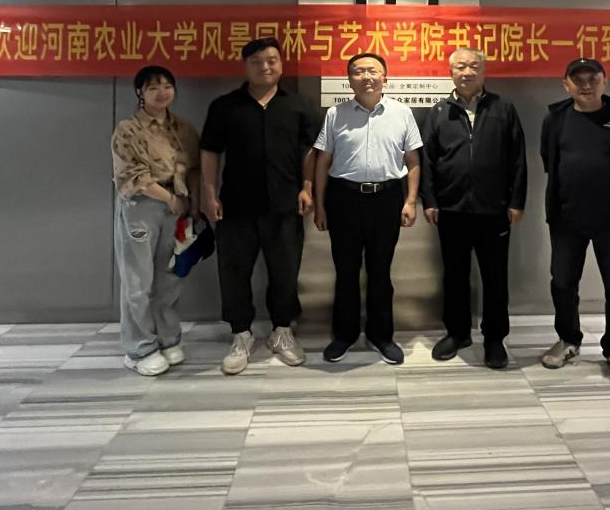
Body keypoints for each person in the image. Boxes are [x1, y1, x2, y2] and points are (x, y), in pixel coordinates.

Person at [200, 37, 319, 375]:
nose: (265, 67)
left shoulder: (298, 105)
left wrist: (307, 187)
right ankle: (241, 335)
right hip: (235, 207)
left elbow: (310, 151)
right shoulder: (224, 106)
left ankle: (282, 331)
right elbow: (210, 152)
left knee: (285, 271)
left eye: (271, 60)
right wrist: (209, 194)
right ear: (246, 66)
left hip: (285, 206)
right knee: (234, 272)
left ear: (281, 64)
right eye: (256, 62)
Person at [539, 57, 610, 390]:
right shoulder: (555, 119)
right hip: (567, 218)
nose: (586, 85)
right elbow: (550, 162)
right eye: (578, 79)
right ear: (566, 85)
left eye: (593, 78)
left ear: (606, 81)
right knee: (563, 282)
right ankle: (568, 340)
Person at [420, 48, 527, 369]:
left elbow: (518, 159)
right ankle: (457, 333)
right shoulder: (439, 111)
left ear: (483, 71)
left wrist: (517, 202)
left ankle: (494, 339)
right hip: (451, 209)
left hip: (494, 209)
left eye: (473, 66)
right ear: (450, 72)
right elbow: (427, 160)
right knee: (454, 275)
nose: (467, 72)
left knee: (495, 277)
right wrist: (430, 200)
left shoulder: (503, 108)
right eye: (460, 67)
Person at [313, 52, 423, 365]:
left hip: (387, 199)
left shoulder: (402, 113)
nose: (366, 77)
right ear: (349, 80)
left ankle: (381, 335)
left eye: (373, 71)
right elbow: (323, 161)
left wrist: (410, 200)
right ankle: (344, 334)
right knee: (345, 271)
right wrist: (320, 205)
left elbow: (413, 160)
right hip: (343, 200)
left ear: (385, 78)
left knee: (380, 271)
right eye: (358, 72)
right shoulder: (335, 114)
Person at [110, 65, 201, 376]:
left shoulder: (184, 128)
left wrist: (192, 204)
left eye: (167, 86)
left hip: (178, 208)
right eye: (153, 87)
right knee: (138, 281)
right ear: (140, 92)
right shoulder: (128, 129)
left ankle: (167, 338)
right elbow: (131, 175)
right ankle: (139, 347)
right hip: (143, 206)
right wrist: (170, 199)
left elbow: (195, 169)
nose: (162, 92)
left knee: (169, 277)